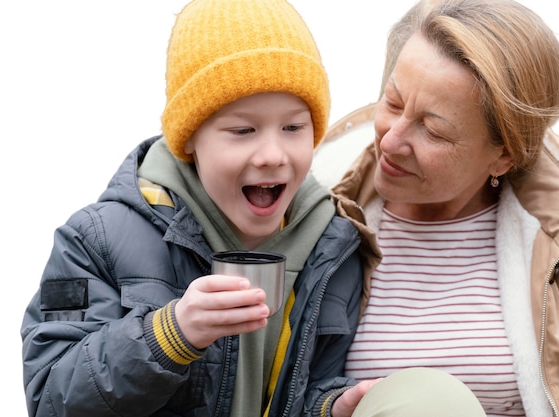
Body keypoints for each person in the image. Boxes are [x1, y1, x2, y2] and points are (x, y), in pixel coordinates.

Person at [20, 1, 373, 416]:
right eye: (243, 130)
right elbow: (50, 398)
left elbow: (306, 389)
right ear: (188, 139)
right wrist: (171, 335)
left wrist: (332, 407)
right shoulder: (97, 240)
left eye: (294, 127)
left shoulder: (335, 249)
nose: (273, 154)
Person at [321, 0, 559, 416]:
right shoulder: (320, 222)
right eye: (393, 102)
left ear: (503, 156)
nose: (390, 141)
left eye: (433, 130)